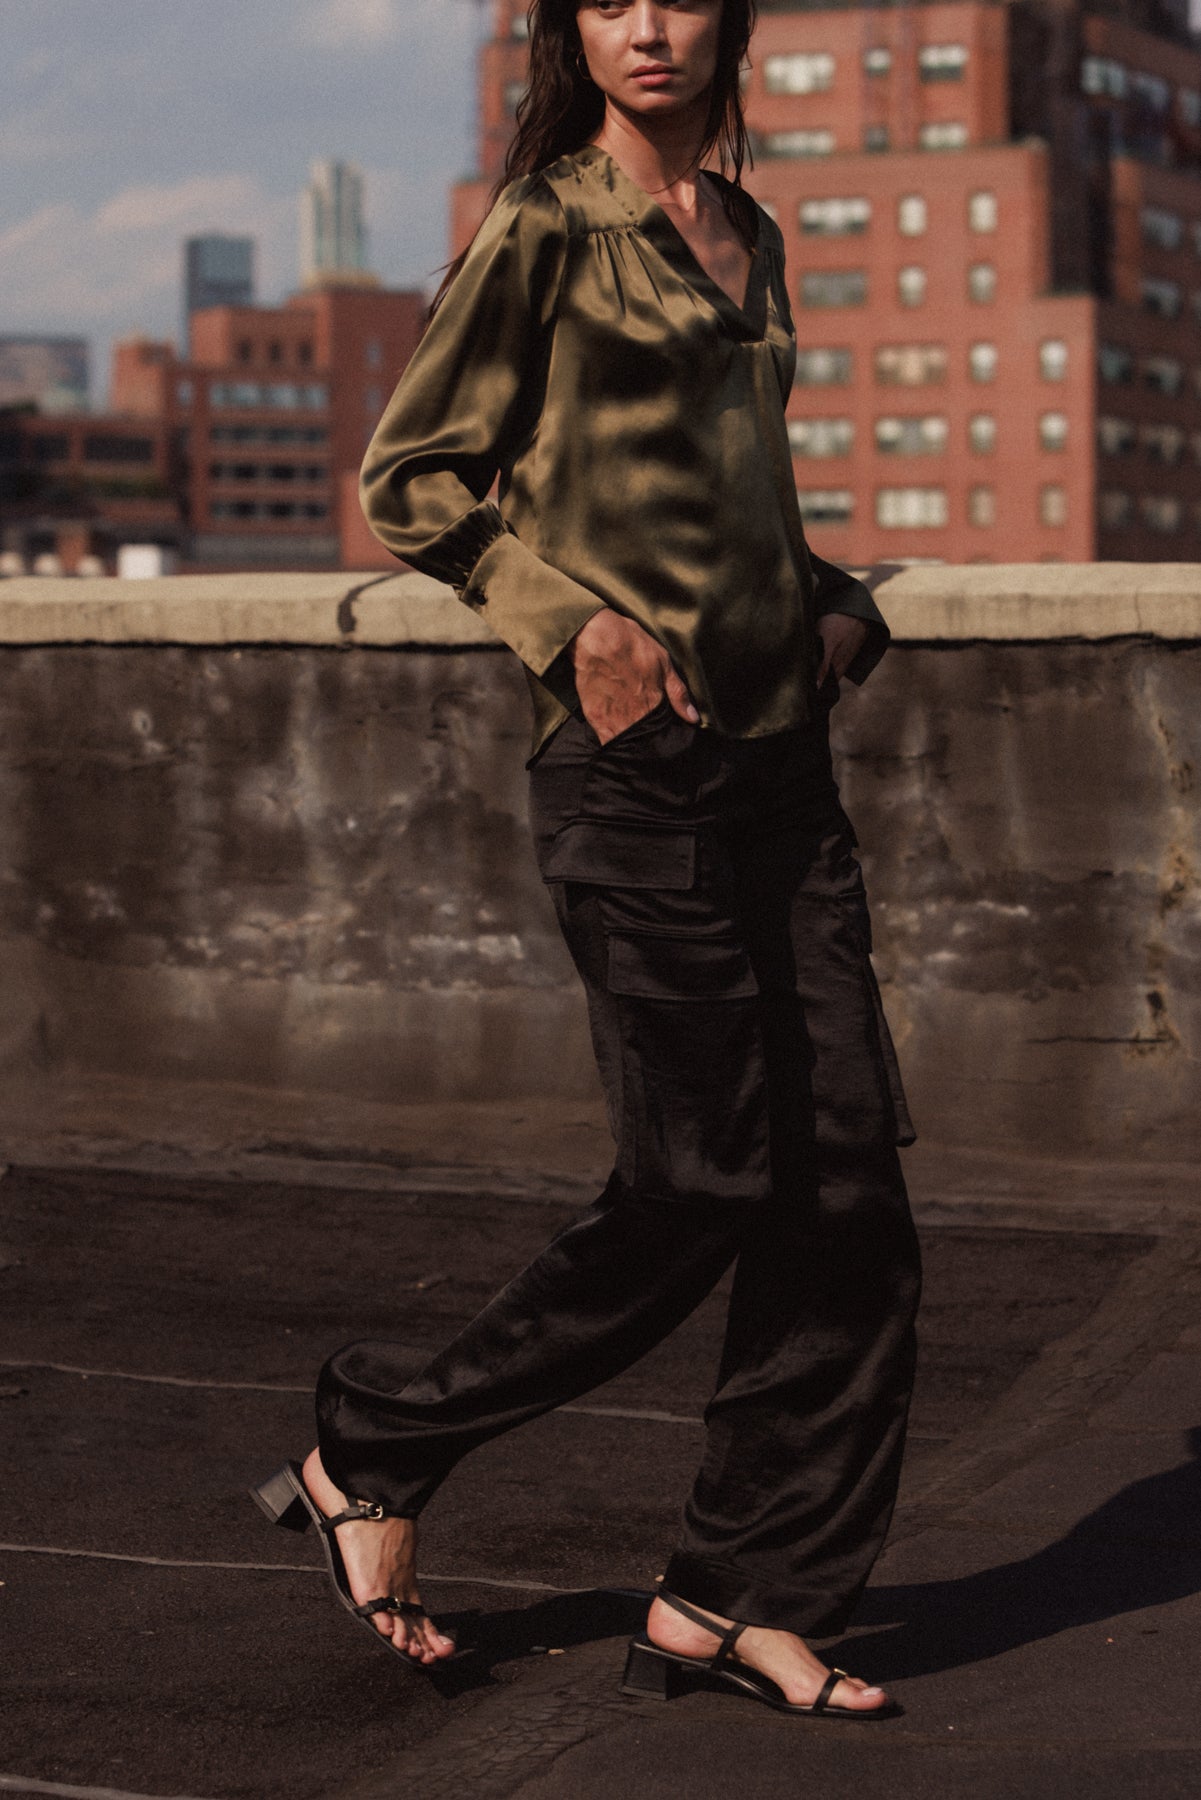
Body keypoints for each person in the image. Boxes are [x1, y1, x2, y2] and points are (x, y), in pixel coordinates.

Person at [253, 0, 921, 1720]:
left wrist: (828, 605)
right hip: (631, 785)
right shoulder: (546, 226)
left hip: (782, 779)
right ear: (572, 27)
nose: (644, 26)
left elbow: (724, 497)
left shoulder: (749, 237)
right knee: (700, 1179)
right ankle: (371, 1444)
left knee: (845, 1195)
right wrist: (578, 635)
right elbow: (412, 479)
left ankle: (737, 1595)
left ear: (730, 22)